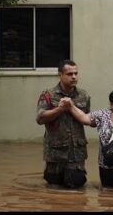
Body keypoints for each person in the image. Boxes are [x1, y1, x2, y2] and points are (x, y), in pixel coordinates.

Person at [61, 89, 113, 188]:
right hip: (107, 167)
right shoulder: (102, 115)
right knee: (107, 197)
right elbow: (84, 118)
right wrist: (71, 106)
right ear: (112, 103)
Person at [36, 59, 91, 189]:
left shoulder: (84, 95)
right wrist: (60, 109)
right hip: (55, 152)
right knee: (53, 188)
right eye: (69, 74)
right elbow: (40, 118)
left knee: (76, 185)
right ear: (60, 75)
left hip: (77, 152)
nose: (74, 77)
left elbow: (87, 118)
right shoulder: (48, 95)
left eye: (76, 73)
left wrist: (72, 107)